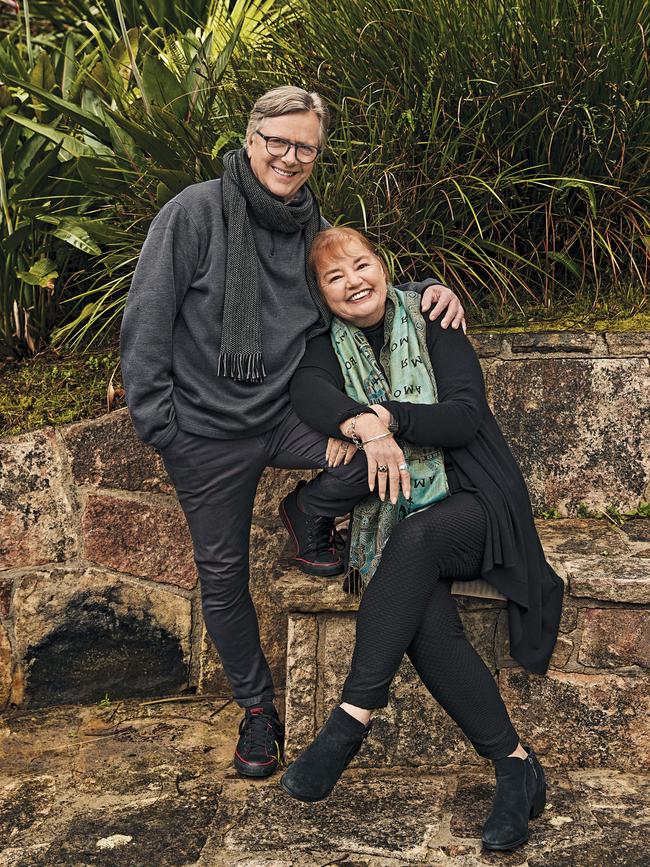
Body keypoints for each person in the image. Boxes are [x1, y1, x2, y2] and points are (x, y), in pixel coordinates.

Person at [119, 87, 465, 780]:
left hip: (285, 415)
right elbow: (147, 318)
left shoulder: (312, 225)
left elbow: (353, 283)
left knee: (374, 456)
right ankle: (256, 709)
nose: (288, 156)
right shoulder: (193, 213)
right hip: (204, 433)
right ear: (251, 138)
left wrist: (428, 290)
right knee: (221, 577)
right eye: (276, 140)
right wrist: (163, 426)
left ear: (316, 153)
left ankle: (306, 513)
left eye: (304, 145)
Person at [279, 227, 564, 852]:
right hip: (405, 517)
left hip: (479, 497)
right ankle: (515, 765)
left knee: (412, 542)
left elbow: (464, 415)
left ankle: (349, 724)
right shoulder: (325, 345)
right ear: (322, 296)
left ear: (385, 268)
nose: (354, 281)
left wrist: (391, 418)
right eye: (335, 277)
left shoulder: (434, 315)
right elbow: (311, 391)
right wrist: (361, 423)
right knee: (426, 624)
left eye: (362, 265)